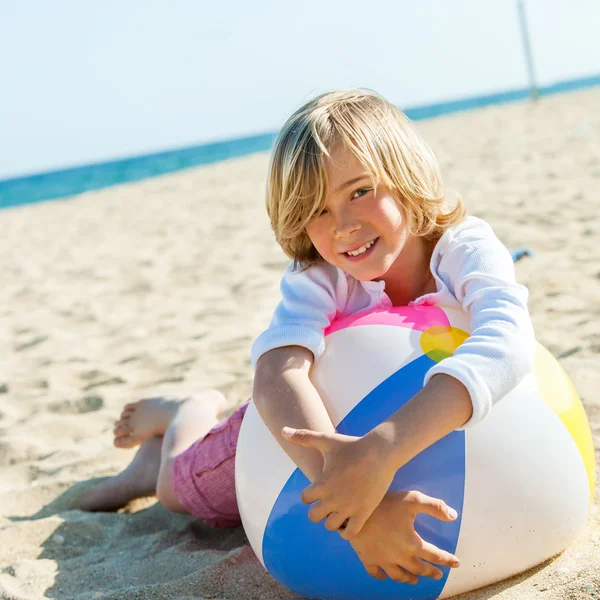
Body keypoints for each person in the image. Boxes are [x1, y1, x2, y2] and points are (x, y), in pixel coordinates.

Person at [80, 89, 536, 585]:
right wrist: (349, 502)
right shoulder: (321, 275)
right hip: (289, 427)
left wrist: (382, 449)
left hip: (378, 433)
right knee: (174, 491)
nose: (343, 227)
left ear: (407, 175)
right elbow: (276, 373)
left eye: (360, 191)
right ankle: (181, 419)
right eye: (316, 211)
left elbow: (508, 336)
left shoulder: (464, 246)